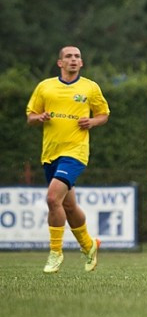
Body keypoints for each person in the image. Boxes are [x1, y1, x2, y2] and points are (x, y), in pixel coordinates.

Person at [26, 46, 110, 274]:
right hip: (50, 153)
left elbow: (103, 114)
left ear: (81, 63)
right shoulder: (45, 87)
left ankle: (55, 252)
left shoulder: (90, 87)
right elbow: (30, 116)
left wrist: (92, 122)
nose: (73, 59)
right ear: (60, 63)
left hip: (76, 152)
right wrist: (39, 117)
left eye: (77, 57)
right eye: (68, 56)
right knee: (68, 205)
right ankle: (89, 245)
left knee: (53, 198)